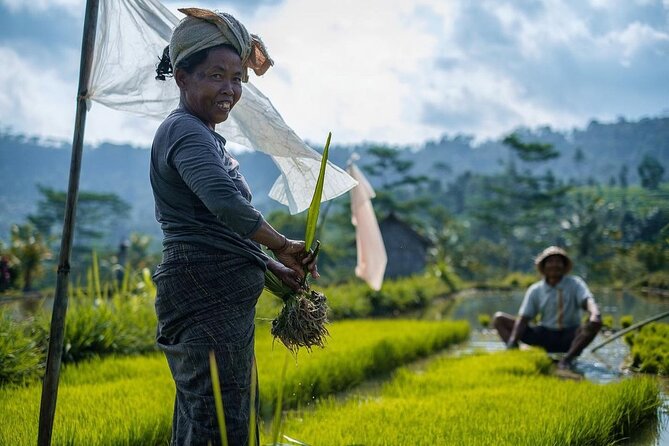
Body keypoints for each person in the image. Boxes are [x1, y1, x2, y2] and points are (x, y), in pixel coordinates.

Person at [150, 9, 318, 446]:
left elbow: (217, 229)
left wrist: (268, 267)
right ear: (183, 77)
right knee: (217, 420)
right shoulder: (186, 132)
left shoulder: (200, 133)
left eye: (238, 78)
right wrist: (281, 245)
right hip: (203, 288)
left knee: (219, 413)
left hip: (216, 290)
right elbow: (224, 204)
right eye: (216, 76)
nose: (230, 89)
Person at [492, 246, 602, 370]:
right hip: (545, 335)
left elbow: (588, 300)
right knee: (499, 319)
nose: (554, 265)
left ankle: (566, 361)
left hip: (570, 336)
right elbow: (523, 318)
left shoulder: (575, 284)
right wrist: (512, 342)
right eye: (550, 261)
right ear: (543, 266)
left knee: (593, 323)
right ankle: (515, 352)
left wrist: (595, 314)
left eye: (558, 261)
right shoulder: (536, 289)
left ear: (564, 265)